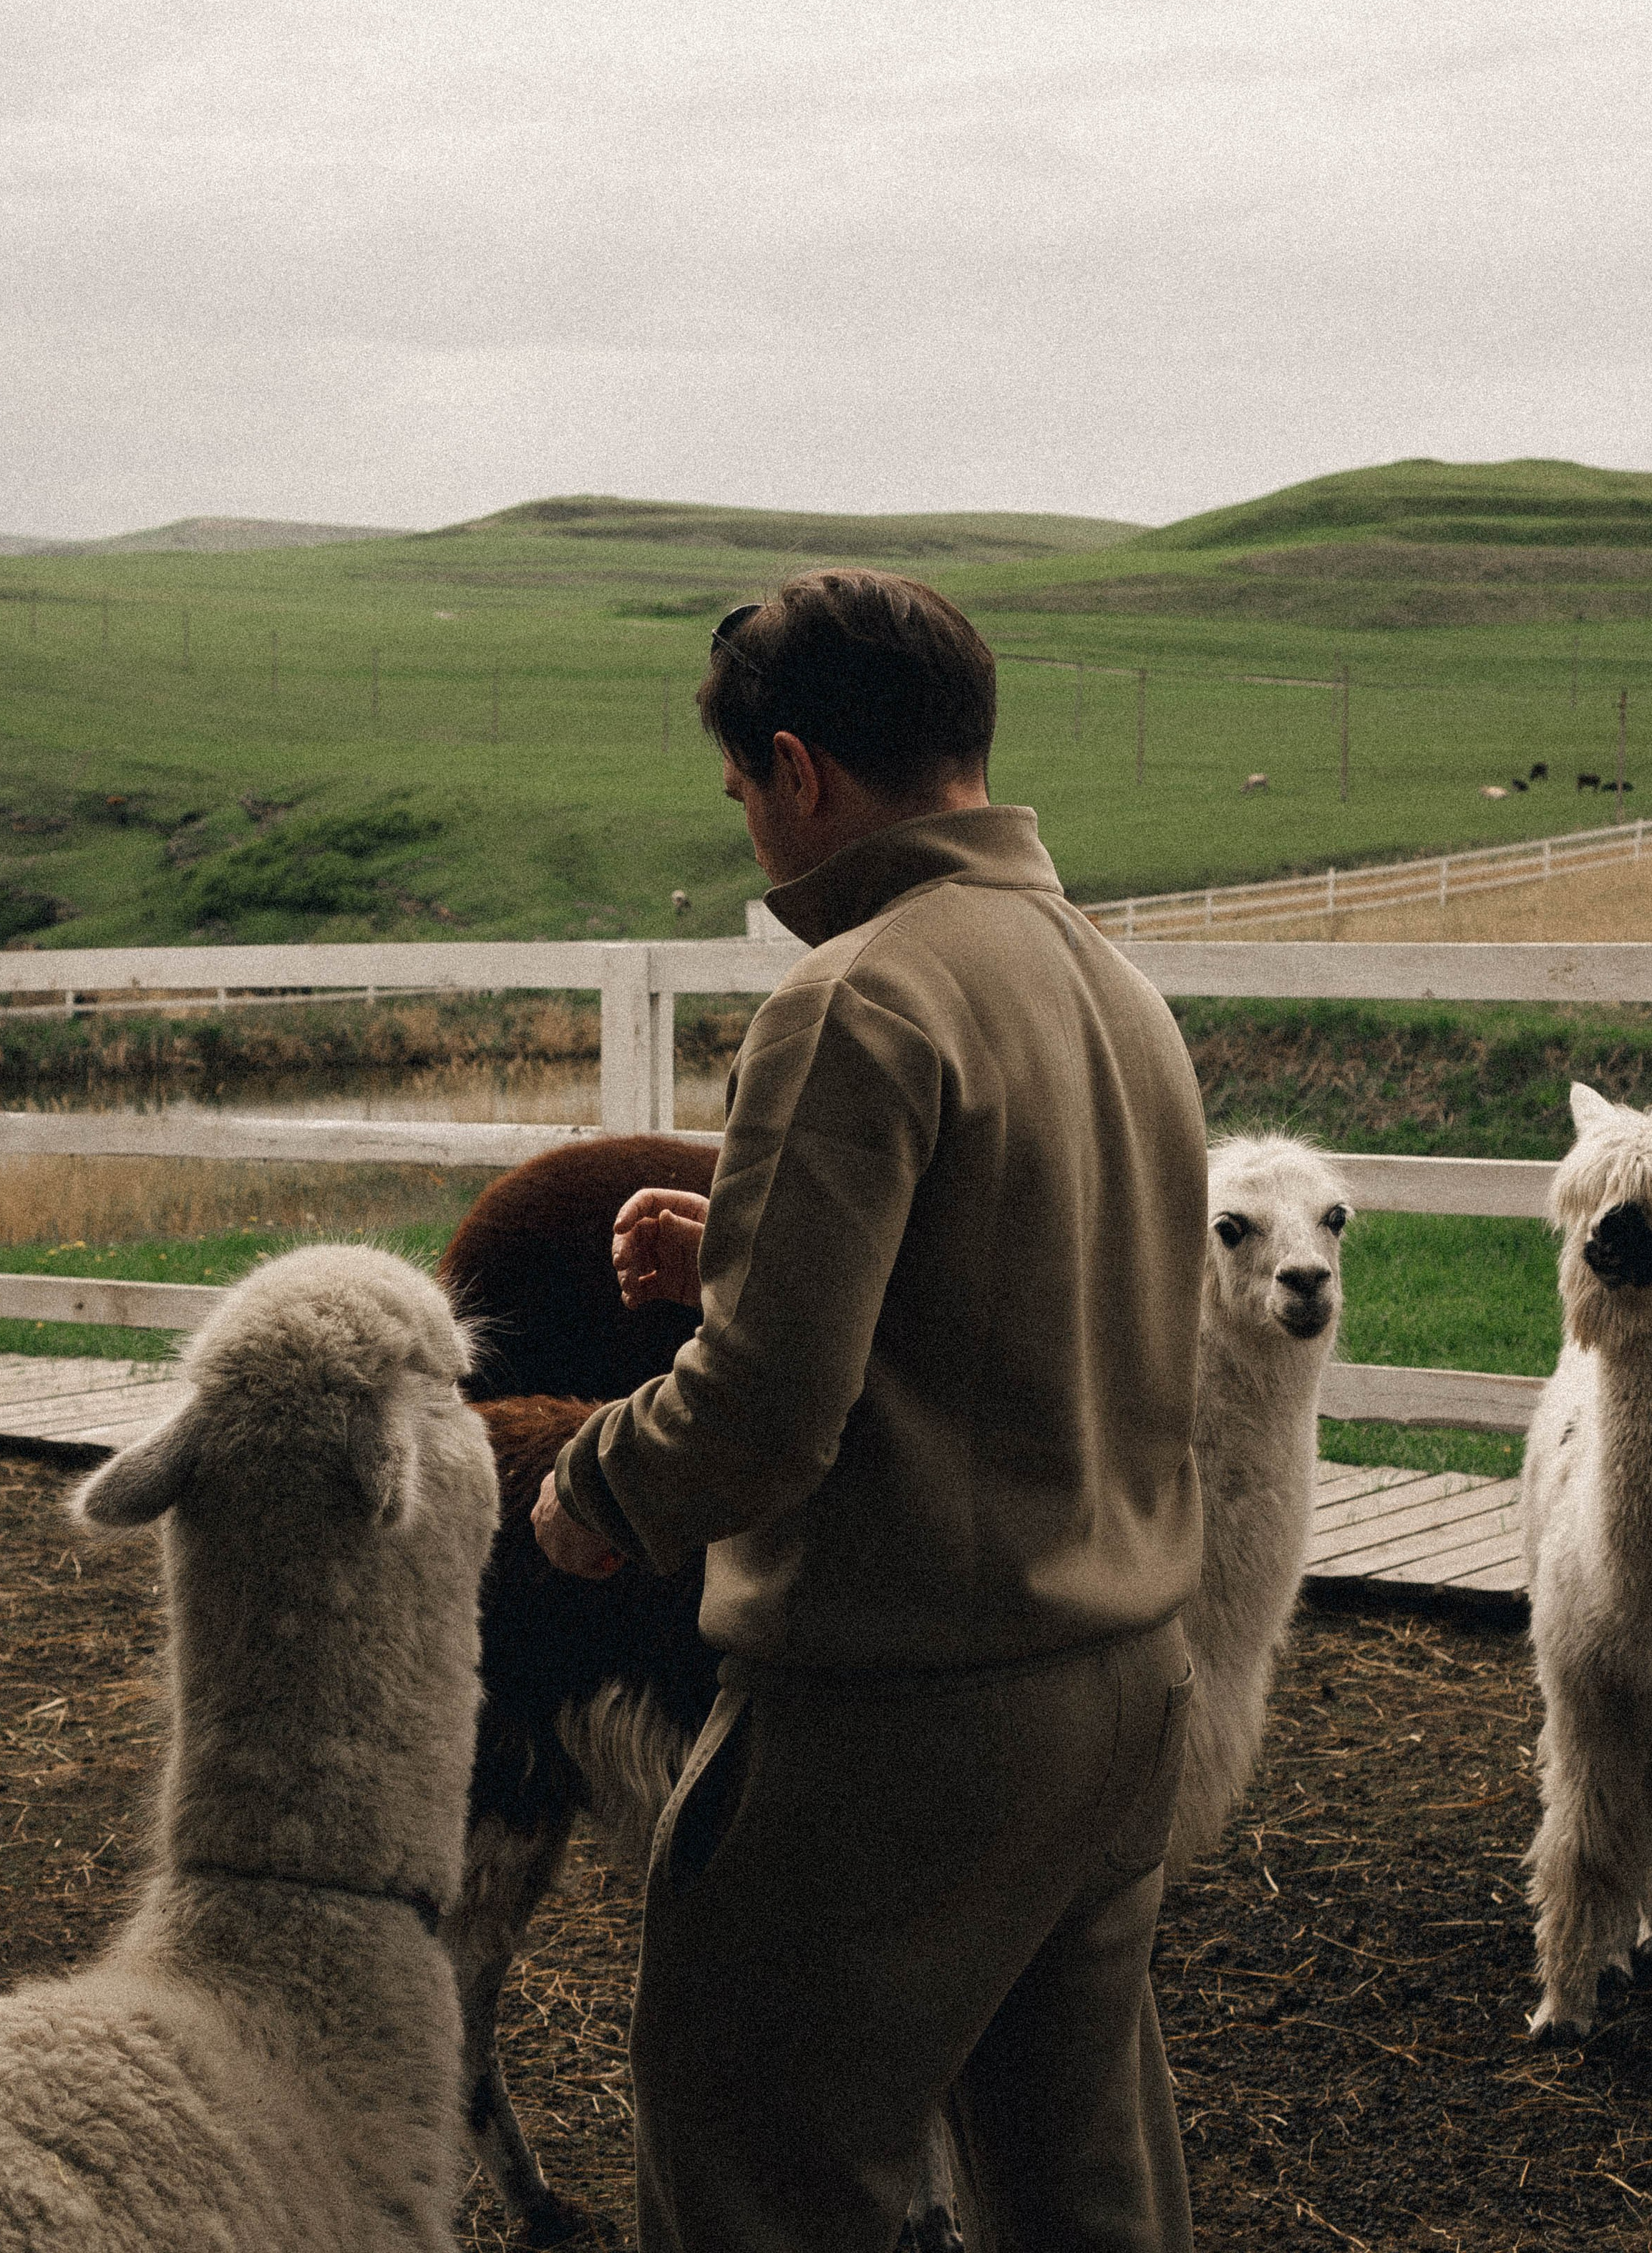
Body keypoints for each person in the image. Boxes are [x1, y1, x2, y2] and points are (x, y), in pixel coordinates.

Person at [532, 568, 1207, 2253]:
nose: (753, 831)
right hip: (1119, 1697)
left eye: (742, 793)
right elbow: (1041, 1288)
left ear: (795, 769)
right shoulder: (1106, 985)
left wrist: (591, 1487)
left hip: (903, 1730)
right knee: (1081, 2196)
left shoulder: (854, 998)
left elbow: (762, 1419)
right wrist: (745, 1255)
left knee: (758, 2169)